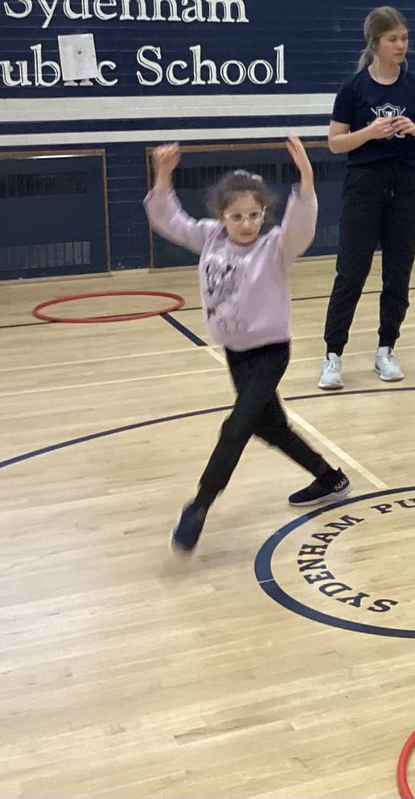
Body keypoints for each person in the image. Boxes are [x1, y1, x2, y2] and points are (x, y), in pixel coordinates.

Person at [145, 136, 351, 556]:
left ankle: (199, 505)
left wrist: (306, 179)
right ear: (221, 216)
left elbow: (300, 227)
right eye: (237, 216)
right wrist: (163, 175)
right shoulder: (210, 240)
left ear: (264, 215)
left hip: (270, 352)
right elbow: (170, 220)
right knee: (271, 427)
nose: (246, 223)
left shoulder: (275, 247)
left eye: (254, 215)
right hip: (236, 353)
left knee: (237, 426)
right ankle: (329, 478)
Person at [318, 6, 415, 390]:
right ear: (375, 43)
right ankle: (333, 355)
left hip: (405, 186)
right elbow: (336, 143)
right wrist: (369, 132)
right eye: (393, 39)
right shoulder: (353, 89)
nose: (401, 45)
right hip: (364, 185)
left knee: (397, 274)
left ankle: (386, 348)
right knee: (351, 273)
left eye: (404, 38)